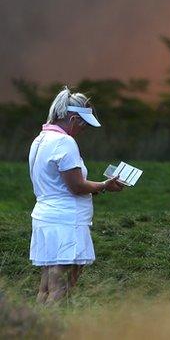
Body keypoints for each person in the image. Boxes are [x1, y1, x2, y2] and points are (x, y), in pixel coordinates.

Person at [29, 87, 125, 303]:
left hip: (45, 218)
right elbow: (76, 186)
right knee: (60, 287)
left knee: (45, 287)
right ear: (73, 118)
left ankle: (35, 328)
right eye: (83, 124)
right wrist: (104, 185)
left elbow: (61, 184)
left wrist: (96, 187)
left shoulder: (40, 139)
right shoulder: (65, 142)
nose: (84, 129)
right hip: (65, 221)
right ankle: (53, 331)